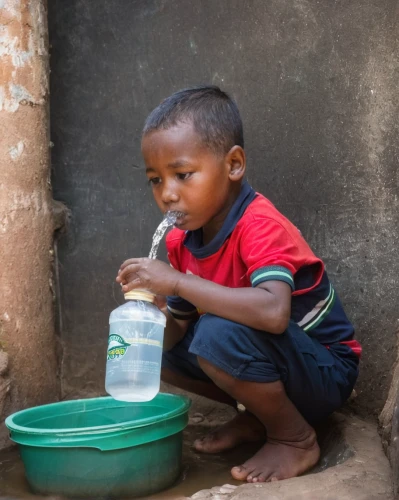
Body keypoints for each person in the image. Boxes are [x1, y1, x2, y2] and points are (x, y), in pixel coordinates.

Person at [116, 85, 361, 483]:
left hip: (325, 370)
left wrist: (177, 281)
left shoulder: (258, 225)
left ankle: (295, 438)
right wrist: (150, 315)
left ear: (233, 165)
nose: (167, 193)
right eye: (155, 180)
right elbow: (179, 331)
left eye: (182, 174)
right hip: (276, 364)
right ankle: (258, 419)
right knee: (150, 349)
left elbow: (274, 313)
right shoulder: (181, 240)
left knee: (216, 333)